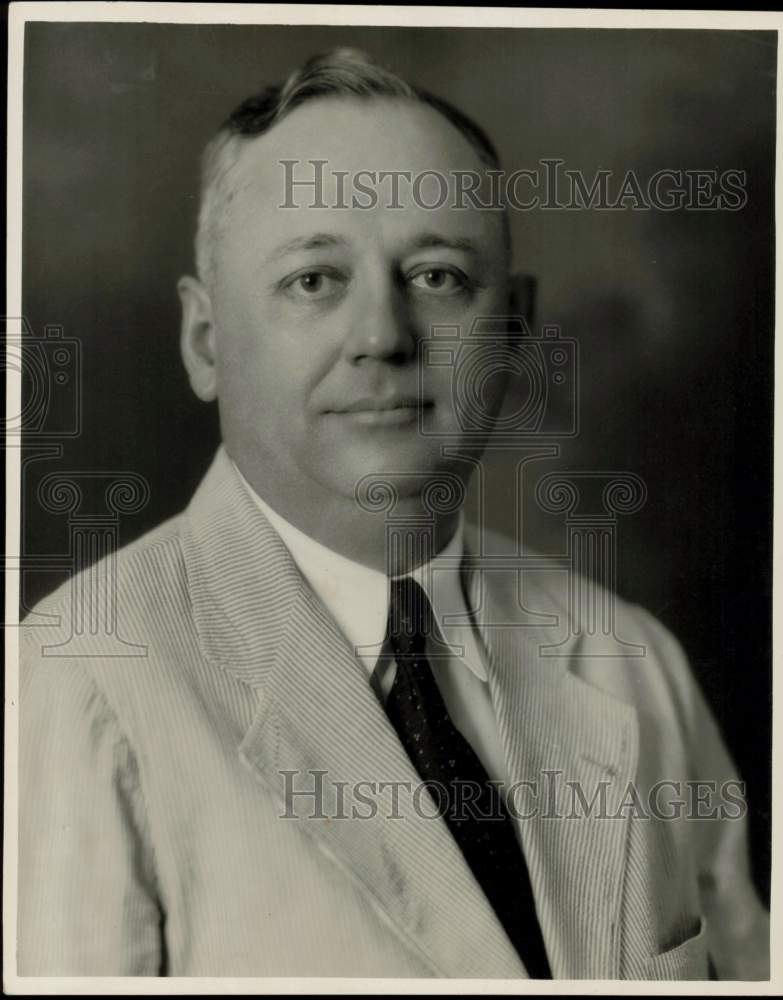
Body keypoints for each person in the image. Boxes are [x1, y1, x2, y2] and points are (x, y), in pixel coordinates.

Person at [17, 48, 769, 979]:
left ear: (513, 334)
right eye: (314, 281)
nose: (382, 336)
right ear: (205, 340)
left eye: (438, 277)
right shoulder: (75, 688)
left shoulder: (633, 664)